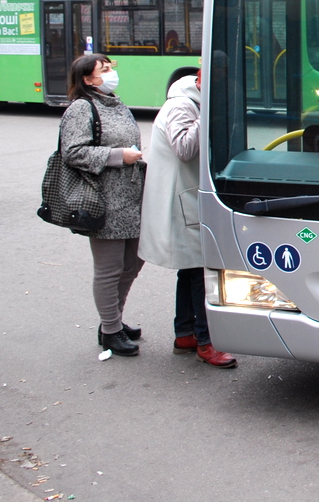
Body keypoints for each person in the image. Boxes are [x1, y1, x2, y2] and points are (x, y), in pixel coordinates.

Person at [138, 72, 237, 368]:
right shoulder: (182, 105)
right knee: (199, 273)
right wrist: (209, 112)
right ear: (200, 82)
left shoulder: (188, 101)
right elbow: (184, 149)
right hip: (183, 201)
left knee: (190, 269)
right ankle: (207, 343)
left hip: (186, 198)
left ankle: (185, 335)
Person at [60, 54, 145, 356]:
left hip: (131, 197)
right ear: (87, 79)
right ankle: (110, 331)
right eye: (104, 70)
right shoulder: (81, 108)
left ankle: (114, 320)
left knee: (133, 263)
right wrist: (118, 156)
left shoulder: (116, 103)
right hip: (104, 200)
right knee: (109, 269)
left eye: (110, 68)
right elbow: (72, 152)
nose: (111, 73)